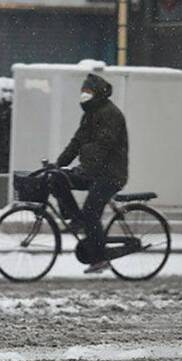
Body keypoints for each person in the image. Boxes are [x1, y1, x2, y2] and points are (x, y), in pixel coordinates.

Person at [51, 73, 129, 274]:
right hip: (93, 171)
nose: (84, 95)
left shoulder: (110, 114)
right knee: (58, 179)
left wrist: (83, 154)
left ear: (97, 94)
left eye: (88, 92)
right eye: (82, 92)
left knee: (92, 212)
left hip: (111, 174)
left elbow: (104, 145)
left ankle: (100, 258)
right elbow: (77, 141)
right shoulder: (90, 114)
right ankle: (76, 220)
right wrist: (59, 163)